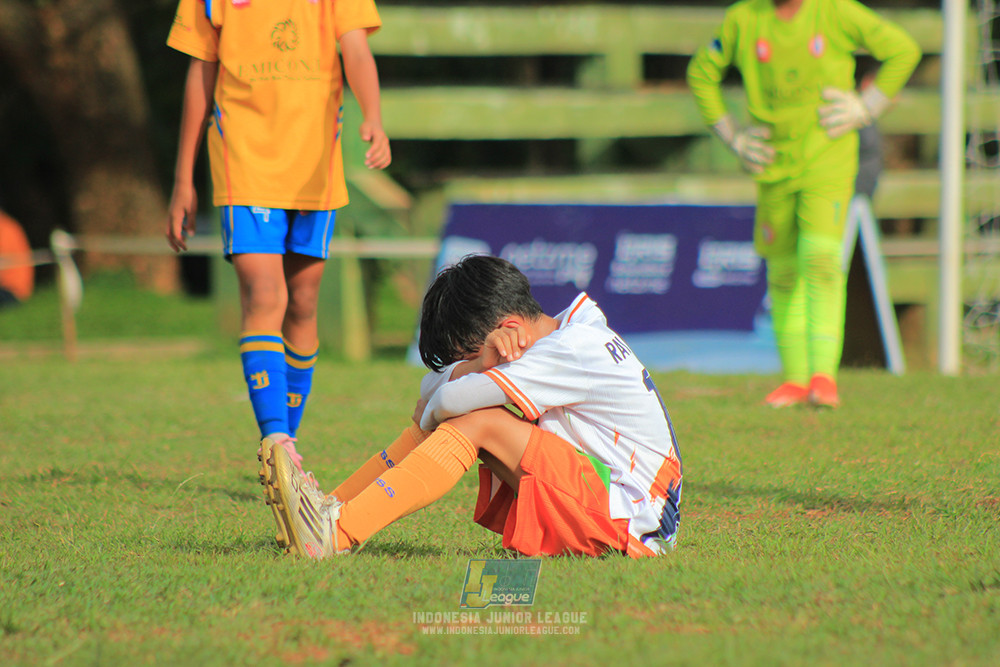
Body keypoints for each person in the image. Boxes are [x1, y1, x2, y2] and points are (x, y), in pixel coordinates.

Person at [259, 255, 683, 559]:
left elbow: (443, 400)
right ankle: (331, 509)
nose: (474, 366)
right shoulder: (562, 331)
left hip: (633, 521)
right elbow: (432, 390)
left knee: (480, 422)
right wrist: (479, 364)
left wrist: (443, 403)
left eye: (472, 354)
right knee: (473, 414)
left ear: (509, 329)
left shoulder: (567, 350)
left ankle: (336, 534)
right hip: (615, 503)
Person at [164, 0, 392, 474]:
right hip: (243, 160)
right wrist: (183, 177)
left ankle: (288, 447)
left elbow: (355, 47)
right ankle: (276, 439)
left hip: (315, 168)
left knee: (303, 302)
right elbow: (200, 72)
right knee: (265, 294)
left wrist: (373, 114)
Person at [686, 0, 920, 408]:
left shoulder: (835, 11)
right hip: (774, 164)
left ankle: (823, 378)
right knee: (783, 271)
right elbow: (701, 73)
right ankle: (795, 380)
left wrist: (867, 107)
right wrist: (734, 138)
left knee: (821, 259)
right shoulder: (745, 18)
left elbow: (903, 49)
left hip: (827, 158)